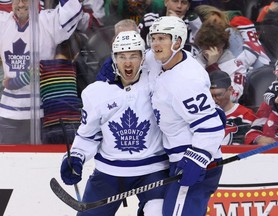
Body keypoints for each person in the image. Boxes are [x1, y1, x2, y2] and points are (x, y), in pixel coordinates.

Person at [60, 31, 169, 216]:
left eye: (133, 56)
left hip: (152, 171)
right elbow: (88, 134)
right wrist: (75, 158)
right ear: (114, 58)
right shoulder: (96, 93)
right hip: (109, 173)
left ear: (143, 58)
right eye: (122, 56)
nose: (128, 63)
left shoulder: (158, 83)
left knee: (158, 212)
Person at [148, 16, 225, 216]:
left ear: (178, 42)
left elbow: (212, 128)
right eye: (153, 38)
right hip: (176, 160)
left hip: (195, 164)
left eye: (162, 38)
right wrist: (112, 66)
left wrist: (196, 162)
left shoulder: (186, 80)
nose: (156, 44)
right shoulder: (165, 61)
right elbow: (144, 58)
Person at [0, 0, 83, 144]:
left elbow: (72, 9)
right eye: (17, 0)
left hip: (42, 112)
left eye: (25, 0)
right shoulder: (3, 21)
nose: (20, 4)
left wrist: (12, 83)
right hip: (9, 113)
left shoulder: (48, 20)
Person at [194, 20, 247, 102]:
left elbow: (234, 96)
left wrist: (212, 67)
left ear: (222, 44)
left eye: (213, 46)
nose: (209, 51)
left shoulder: (236, 66)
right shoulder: (192, 63)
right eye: (205, 46)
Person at [209, 70, 256, 145]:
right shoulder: (203, 114)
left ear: (230, 90)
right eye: (211, 95)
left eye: (219, 95)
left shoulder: (246, 115)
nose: (214, 99)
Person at [138, 0, 202, 51]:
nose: (179, 6)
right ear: (166, 2)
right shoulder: (150, 19)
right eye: (175, 1)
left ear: (188, 6)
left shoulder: (191, 25)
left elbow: (193, 51)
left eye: (184, 2)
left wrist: (178, 24)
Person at [262, 54, 278, 138]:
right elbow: (267, 94)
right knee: (268, 131)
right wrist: (274, 100)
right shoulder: (275, 86)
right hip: (277, 115)